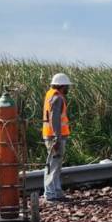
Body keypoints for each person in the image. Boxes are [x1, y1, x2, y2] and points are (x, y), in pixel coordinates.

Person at [42, 73, 72, 202]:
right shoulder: (57, 98)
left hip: (53, 135)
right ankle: (50, 194)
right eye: (67, 86)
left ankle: (57, 192)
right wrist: (57, 138)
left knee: (56, 165)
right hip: (55, 137)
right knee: (53, 164)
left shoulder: (51, 94)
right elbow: (55, 119)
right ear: (61, 85)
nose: (68, 89)